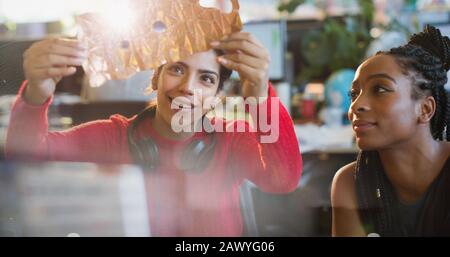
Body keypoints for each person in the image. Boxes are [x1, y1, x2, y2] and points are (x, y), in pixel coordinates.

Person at [4, 32, 302, 236]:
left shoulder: (234, 139)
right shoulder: (112, 137)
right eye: (176, 69)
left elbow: (283, 179)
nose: (187, 86)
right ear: (156, 77)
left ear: (215, 95)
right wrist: (36, 93)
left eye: (206, 78)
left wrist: (259, 96)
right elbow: (26, 155)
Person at [331, 25, 450, 237]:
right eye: (354, 93)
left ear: (425, 109)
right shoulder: (349, 182)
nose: (356, 106)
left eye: (380, 89)